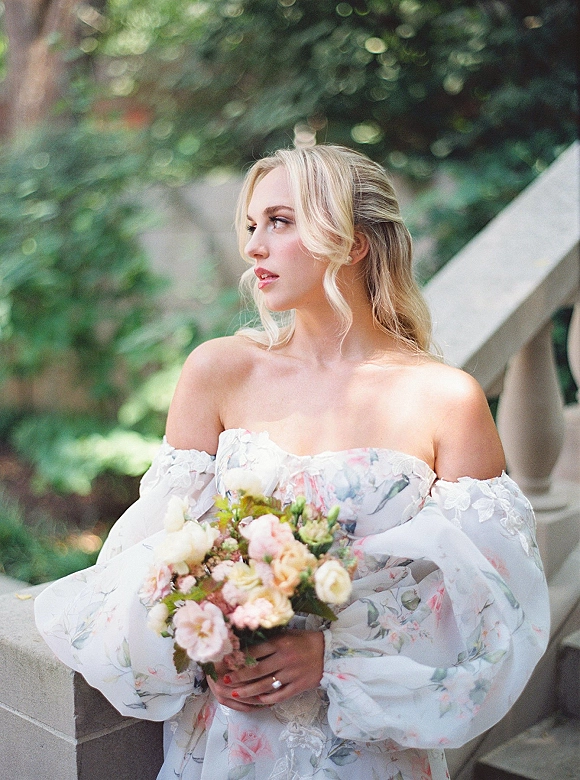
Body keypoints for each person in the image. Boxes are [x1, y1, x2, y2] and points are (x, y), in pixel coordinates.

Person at [35, 145, 549, 780]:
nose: (254, 247)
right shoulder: (219, 371)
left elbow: (490, 608)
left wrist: (333, 654)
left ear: (354, 243)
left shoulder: (447, 400)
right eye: (252, 225)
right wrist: (206, 631)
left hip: (370, 747)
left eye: (280, 221)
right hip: (226, 739)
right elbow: (155, 554)